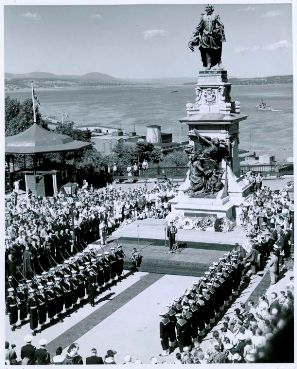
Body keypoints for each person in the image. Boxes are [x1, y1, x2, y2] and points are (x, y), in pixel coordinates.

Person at [188, 4, 226, 70]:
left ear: (212, 8)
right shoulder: (203, 17)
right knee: (206, 50)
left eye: (209, 7)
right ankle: (209, 64)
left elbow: (221, 25)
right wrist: (193, 36)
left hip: (213, 36)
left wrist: (216, 31)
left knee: (216, 49)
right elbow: (199, 26)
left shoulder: (215, 16)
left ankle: (219, 62)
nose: (207, 8)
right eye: (207, 7)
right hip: (205, 36)